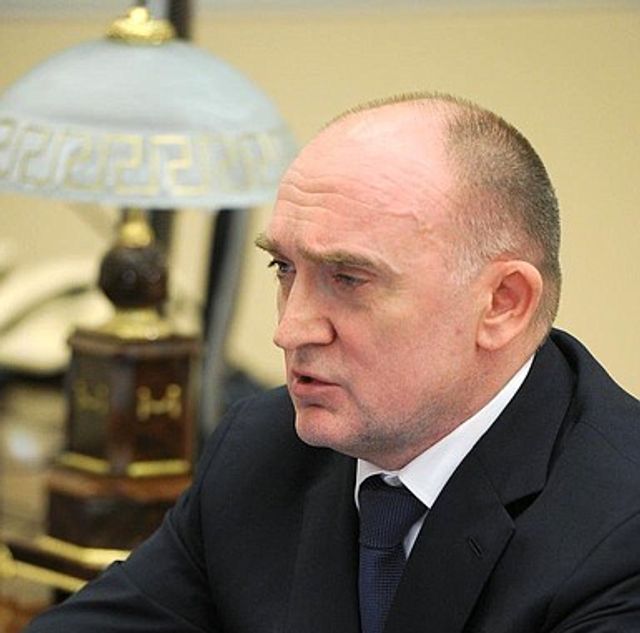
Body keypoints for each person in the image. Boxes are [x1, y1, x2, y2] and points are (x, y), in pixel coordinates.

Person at [26, 93, 640, 632]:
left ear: (502, 303)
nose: (289, 330)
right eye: (284, 268)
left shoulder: (621, 530)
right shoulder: (260, 448)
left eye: (348, 278)